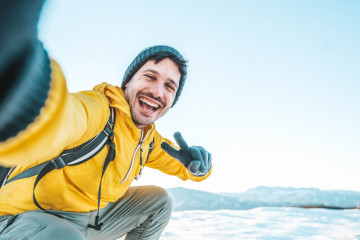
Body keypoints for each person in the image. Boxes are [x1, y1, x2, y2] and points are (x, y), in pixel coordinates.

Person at [0, 0, 212, 239]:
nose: (157, 91)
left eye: (169, 86)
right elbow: (62, 118)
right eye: (150, 76)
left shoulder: (148, 140)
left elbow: (186, 169)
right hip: (22, 218)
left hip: (85, 221)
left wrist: (198, 167)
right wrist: (22, 95)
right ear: (128, 82)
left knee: (159, 201)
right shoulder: (98, 110)